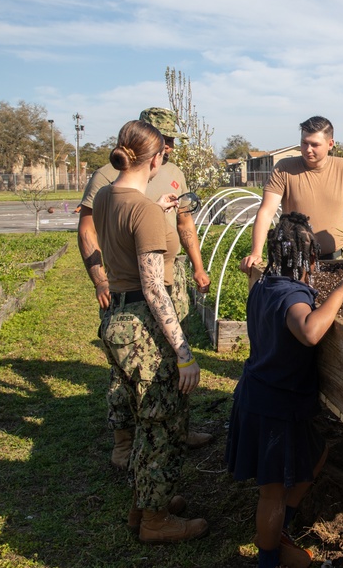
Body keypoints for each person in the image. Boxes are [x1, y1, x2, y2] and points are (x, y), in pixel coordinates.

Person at [226, 212, 343, 568]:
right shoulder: (292, 296)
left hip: (261, 394)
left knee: (316, 455)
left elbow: (256, 275)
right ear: (312, 259)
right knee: (272, 491)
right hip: (274, 406)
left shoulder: (264, 284)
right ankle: (269, 557)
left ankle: (281, 530)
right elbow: (310, 331)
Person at [78, 107, 214, 466]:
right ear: (152, 151)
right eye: (165, 141)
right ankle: (132, 447)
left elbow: (174, 223)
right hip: (139, 305)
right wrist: (99, 280)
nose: (169, 148)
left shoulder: (113, 190)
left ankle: (172, 431)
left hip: (145, 299)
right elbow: (153, 287)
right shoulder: (108, 180)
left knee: (159, 381)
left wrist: (195, 264)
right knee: (144, 387)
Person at [93, 119, 208, 543]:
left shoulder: (108, 195)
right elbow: (155, 289)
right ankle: (157, 521)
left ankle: (142, 505)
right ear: (157, 157)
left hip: (115, 319)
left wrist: (156, 210)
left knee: (144, 418)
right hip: (142, 324)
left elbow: (124, 225)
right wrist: (184, 352)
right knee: (160, 423)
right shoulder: (141, 209)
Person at [239, 116, 343, 274]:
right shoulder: (284, 168)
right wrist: (256, 252)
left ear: (330, 144)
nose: (308, 149)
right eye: (304, 143)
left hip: (335, 261)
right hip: (294, 262)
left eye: (315, 144)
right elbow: (266, 211)